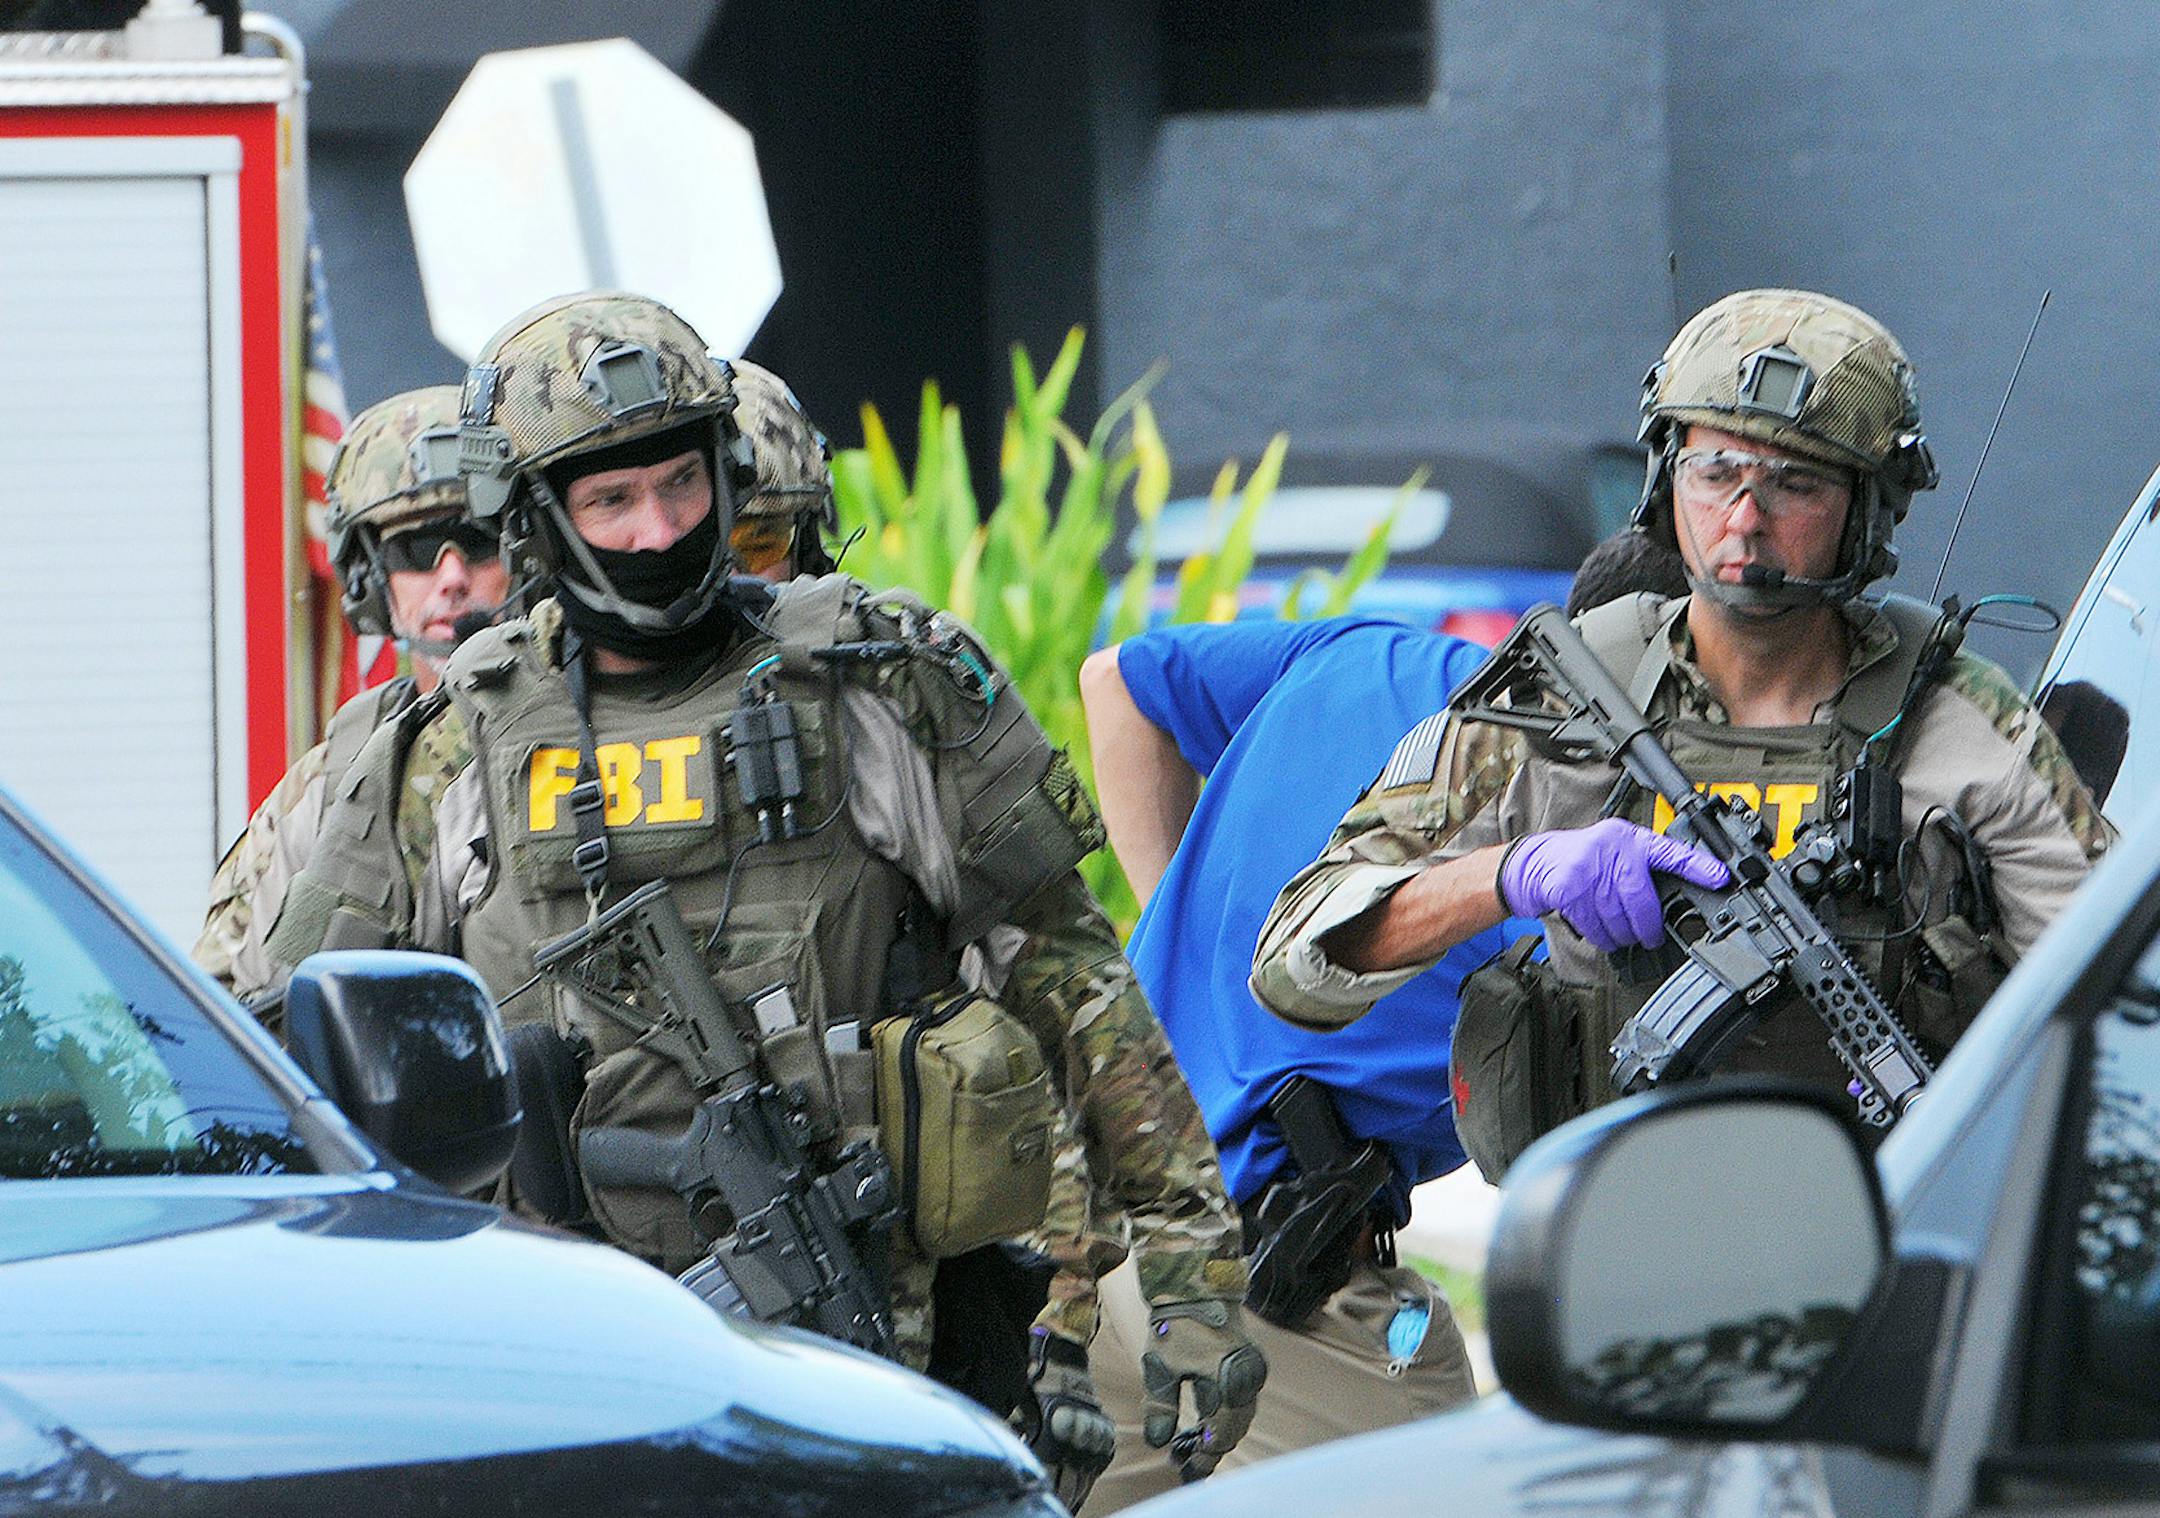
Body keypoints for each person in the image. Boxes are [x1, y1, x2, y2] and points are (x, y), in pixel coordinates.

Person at [260, 293, 1263, 1507]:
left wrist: (1194, 1277)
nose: (661, 529)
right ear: (536, 519)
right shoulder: (451, 741)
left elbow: (1074, 986)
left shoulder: (880, 680)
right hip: (554, 1356)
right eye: (612, 501)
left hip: (879, 1343)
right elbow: (295, 1047)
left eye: (681, 484)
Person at [1251, 288, 2114, 1148]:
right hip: (1617, 1229)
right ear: (1667, 481)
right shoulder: (1564, 692)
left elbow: (2122, 1004)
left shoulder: (1959, 718)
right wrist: (1516, 873)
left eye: (1794, 483)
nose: (1744, 520)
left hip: (1890, 1223)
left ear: (1867, 510)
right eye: (1715, 474)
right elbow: (1294, 965)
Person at [193, 385, 510, 1005]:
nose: (451, 578)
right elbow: (227, 1005)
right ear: (370, 575)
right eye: (416, 550)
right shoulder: (338, 775)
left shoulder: (579, 728)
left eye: (477, 540)